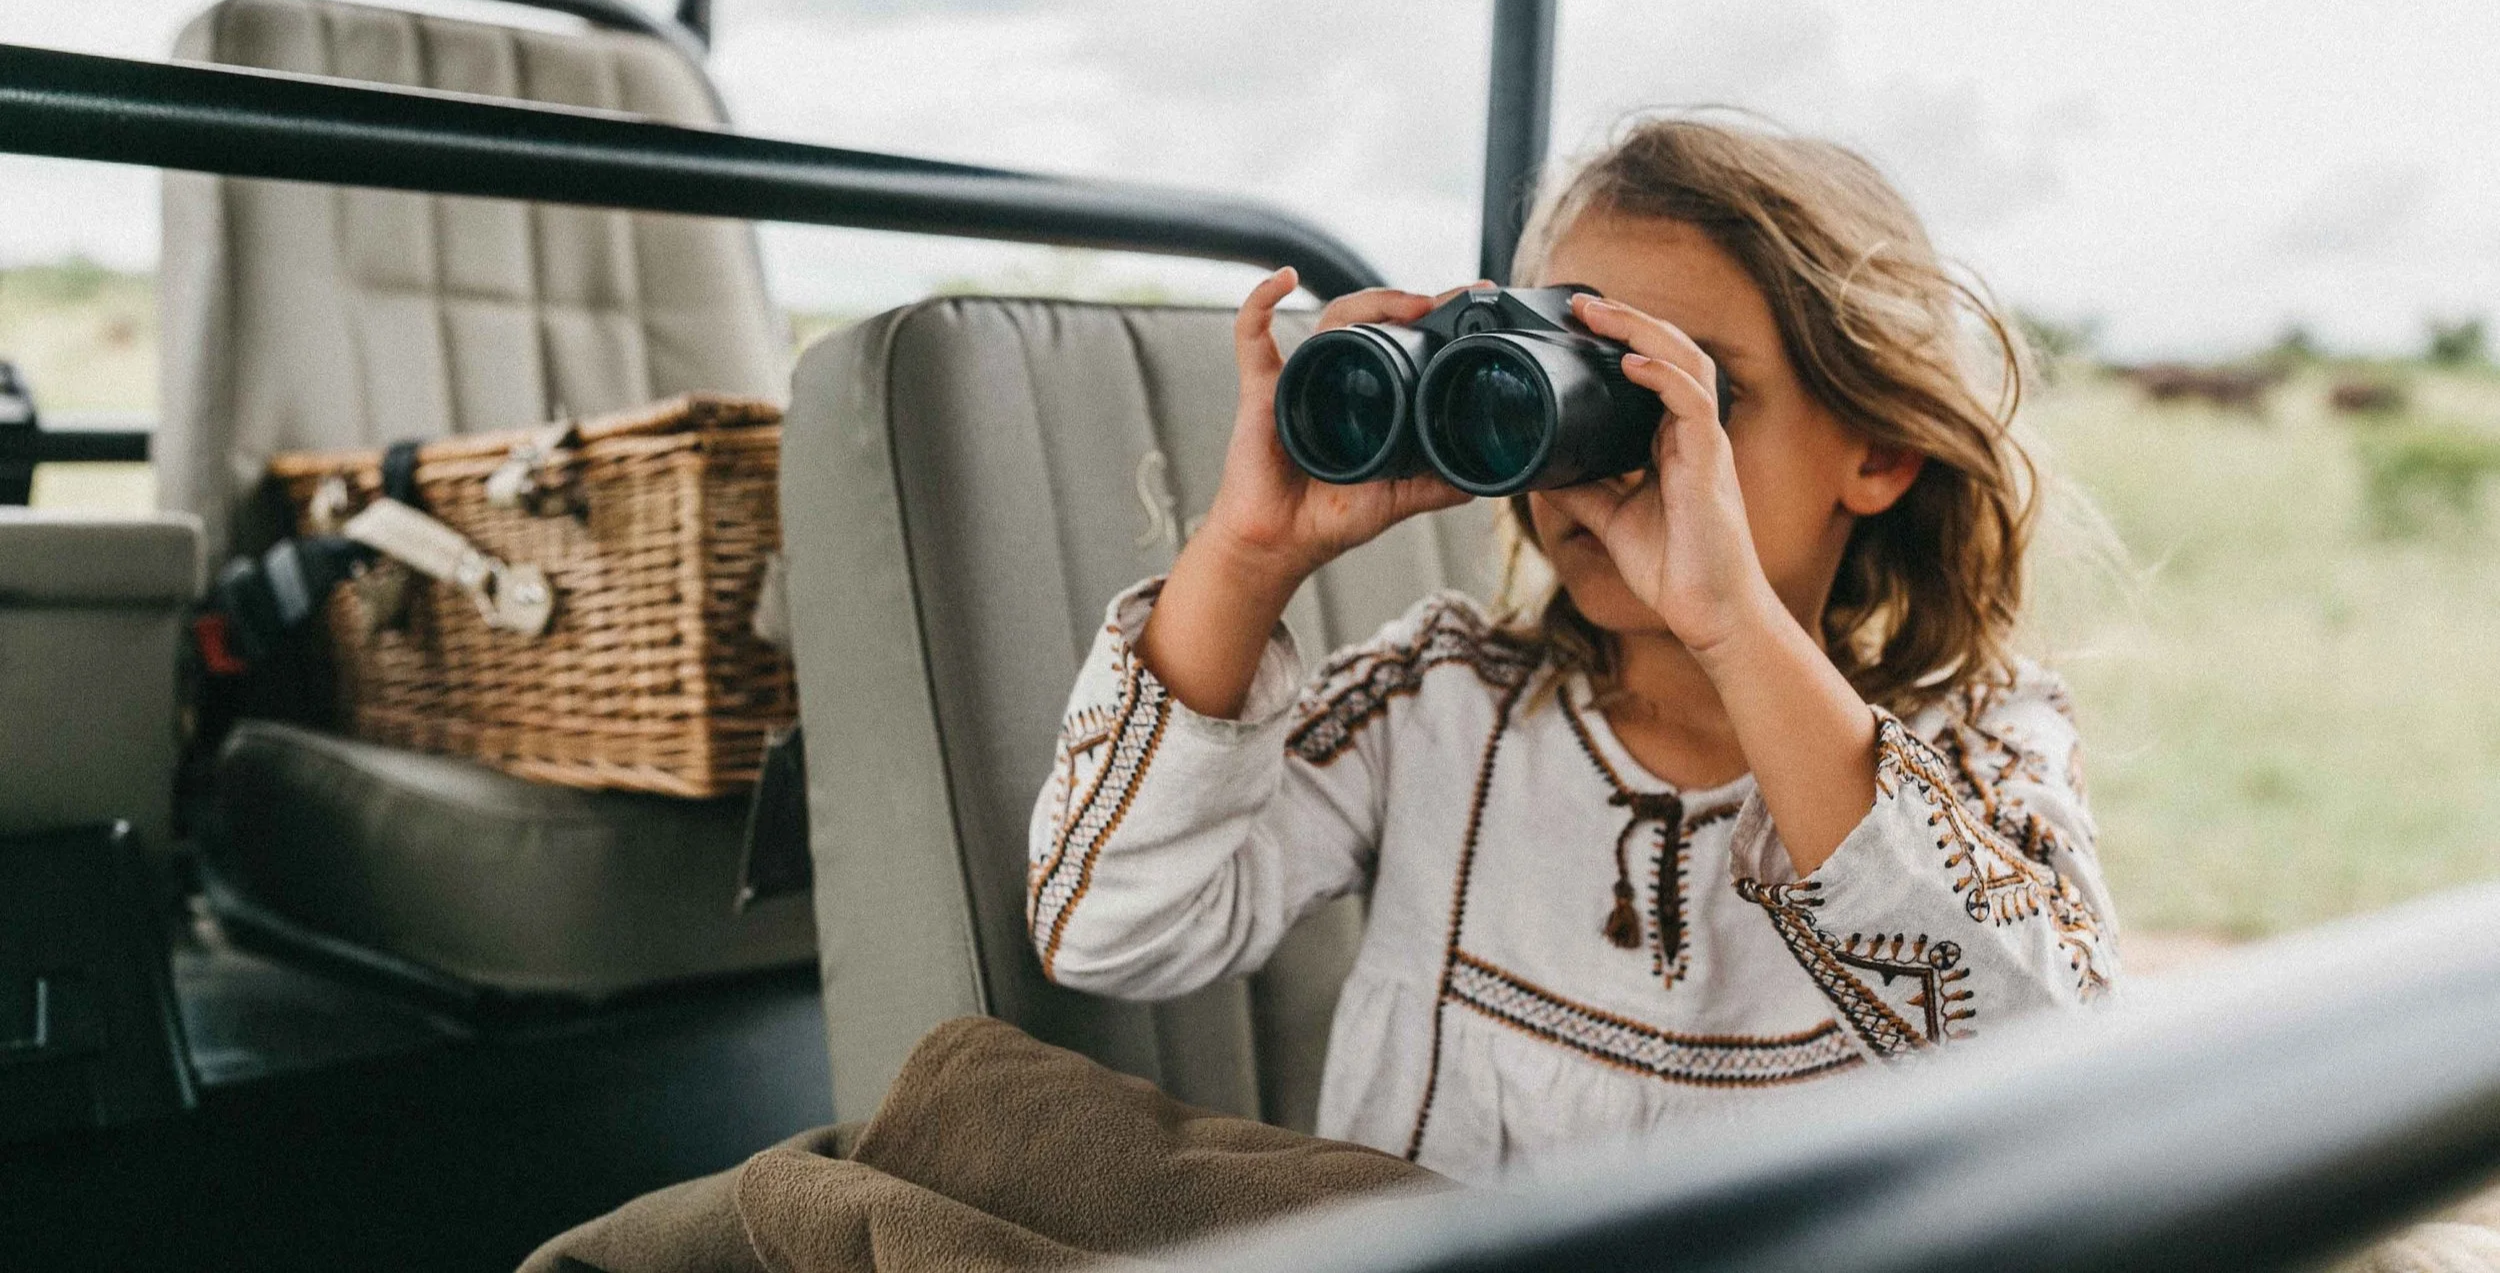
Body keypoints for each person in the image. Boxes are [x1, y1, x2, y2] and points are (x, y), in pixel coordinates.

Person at [1024, 115, 2118, 1184]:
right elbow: (1110, 932)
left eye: (1683, 389)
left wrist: (1735, 625)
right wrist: (1248, 553)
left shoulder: (1977, 744)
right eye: (1568, 374)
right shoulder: (1444, 702)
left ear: (1875, 452)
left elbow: (2045, 1075)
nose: (1605, 457)